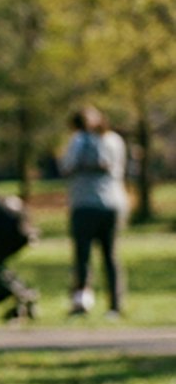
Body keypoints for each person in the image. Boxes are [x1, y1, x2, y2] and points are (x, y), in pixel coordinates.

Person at [59, 105, 128, 318]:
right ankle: (115, 304)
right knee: (110, 255)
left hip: (84, 204)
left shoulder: (78, 141)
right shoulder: (114, 140)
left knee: (83, 256)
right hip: (112, 203)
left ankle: (82, 302)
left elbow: (66, 167)